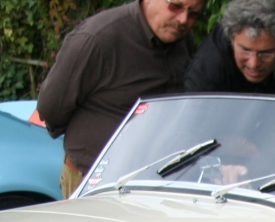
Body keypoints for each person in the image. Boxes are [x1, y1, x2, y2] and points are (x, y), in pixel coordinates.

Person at [37, 0, 205, 198]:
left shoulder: (181, 38)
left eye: (193, 13)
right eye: (175, 6)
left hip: (158, 179)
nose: (183, 19)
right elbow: (51, 109)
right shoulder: (97, 38)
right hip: (95, 182)